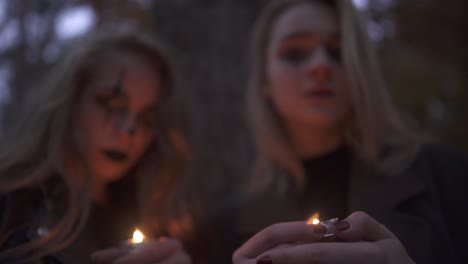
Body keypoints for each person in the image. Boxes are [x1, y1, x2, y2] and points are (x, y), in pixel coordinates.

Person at [232, 0, 468, 263]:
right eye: (295, 53)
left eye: (337, 51)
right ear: (265, 81)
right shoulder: (228, 227)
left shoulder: (447, 176)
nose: (320, 65)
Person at [0, 26, 192, 264]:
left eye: (147, 119)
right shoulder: (11, 206)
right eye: (111, 104)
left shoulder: (155, 224)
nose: (129, 129)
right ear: (71, 100)